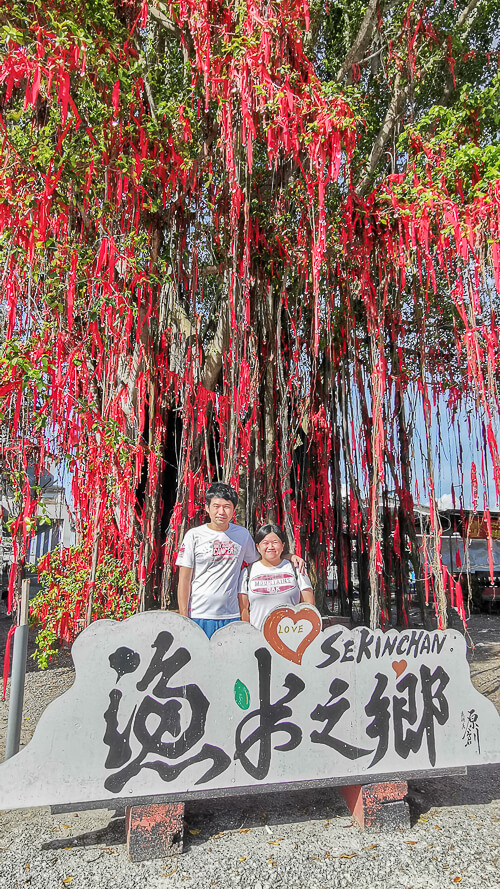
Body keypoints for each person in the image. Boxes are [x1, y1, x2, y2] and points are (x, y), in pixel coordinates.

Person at [176, 483, 304, 638]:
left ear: (233, 510)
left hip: (232, 615)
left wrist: (287, 556)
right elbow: (184, 579)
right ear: (207, 508)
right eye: (216, 506)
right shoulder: (194, 536)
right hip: (199, 613)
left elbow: (260, 560)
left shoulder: (242, 535)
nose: (221, 512)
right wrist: (184, 618)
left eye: (227, 506)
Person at [238, 523, 314, 630]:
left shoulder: (296, 568)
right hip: (259, 637)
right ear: (258, 547)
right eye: (265, 543)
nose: (270, 547)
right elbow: (244, 609)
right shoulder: (247, 573)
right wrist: (247, 633)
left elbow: (308, 604)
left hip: (292, 635)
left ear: (283, 545)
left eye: (275, 542)